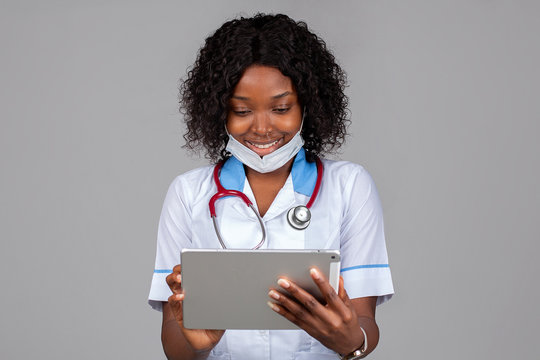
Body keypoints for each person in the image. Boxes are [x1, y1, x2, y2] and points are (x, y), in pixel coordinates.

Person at [148, 13, 394, 360]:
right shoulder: (188, 195)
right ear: (220, 111)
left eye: (281, 108)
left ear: (307, 104)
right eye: (241, 110)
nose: (262, 128)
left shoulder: (350, 186)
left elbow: (364, 321)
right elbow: (175, 344)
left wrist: (352, 341)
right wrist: (197, 342)